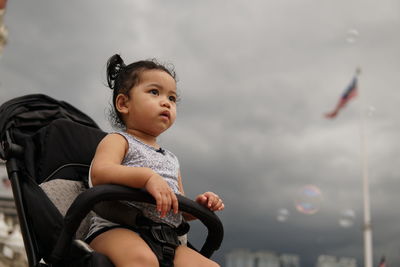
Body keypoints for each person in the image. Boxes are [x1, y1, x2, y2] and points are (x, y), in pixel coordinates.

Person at [86, 54, 224, 267]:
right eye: (154, 92)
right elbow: (100, 173)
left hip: (167, 238)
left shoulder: (171, 158)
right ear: (123, 103)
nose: (166, 103)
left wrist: (199, 206)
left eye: (172, 98)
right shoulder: (119, 140)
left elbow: (177, 206)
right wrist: (147, 177)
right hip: (117, 228)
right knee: (142, 260)